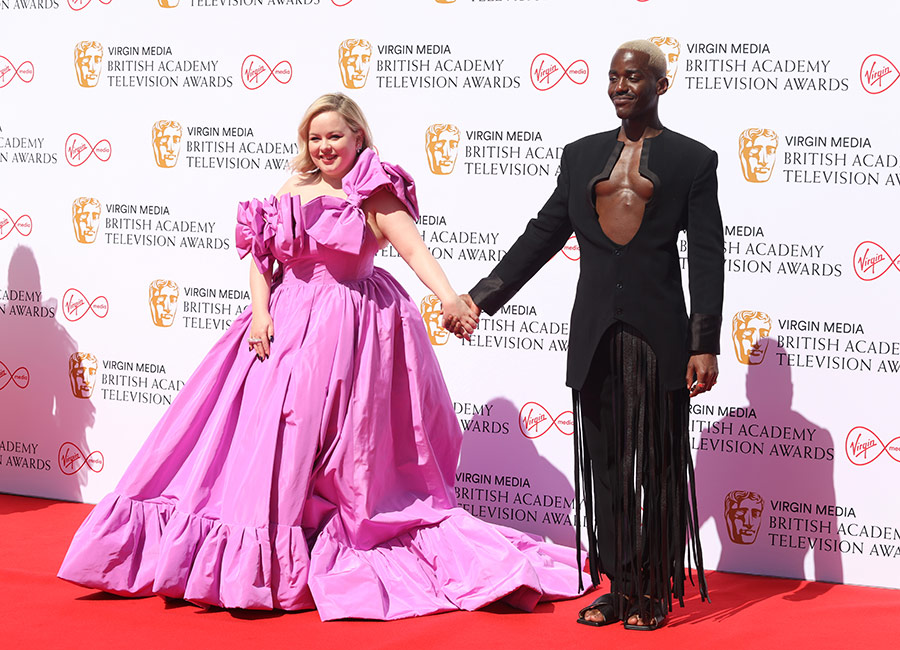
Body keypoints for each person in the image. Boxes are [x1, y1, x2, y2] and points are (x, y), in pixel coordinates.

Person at [58, 93, 585, 620]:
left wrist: (450, 298)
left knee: (342, 449)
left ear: (358, 136)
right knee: (275, 440)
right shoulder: (292, 188)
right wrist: (260, 313)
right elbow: (261, 259)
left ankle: (320, 544)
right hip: (285, 324)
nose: (324, 146)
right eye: (315, 137)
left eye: (335, 135)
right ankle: (257, 554)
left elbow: (413, 250)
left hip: (354, 328)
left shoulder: (375, 189)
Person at [458, 40, 725, 630]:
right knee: (606, 466)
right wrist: (480, 297)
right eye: (613, 78)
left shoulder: (692, 160)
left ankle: (654, 588)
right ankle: (620, 585)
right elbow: (542, 235)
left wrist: (704, 342)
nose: (620, 87)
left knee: (658, 466)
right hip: (596, 334)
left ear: (661, 85)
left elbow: (708, 255)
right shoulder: (580, 157)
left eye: (633, 77)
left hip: (659, 338)